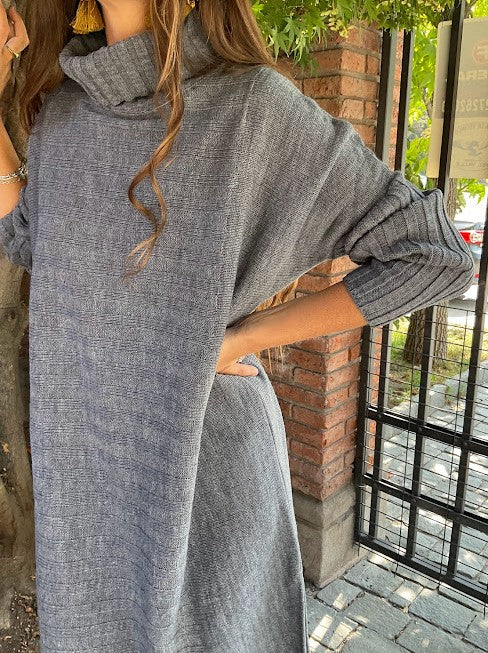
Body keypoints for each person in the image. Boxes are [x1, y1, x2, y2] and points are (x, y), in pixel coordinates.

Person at [0, 1, 475, 651]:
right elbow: (32, 240)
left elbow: (432, 255)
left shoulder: (251, 107)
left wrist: (240, 339)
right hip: (88, 476)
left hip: (207, 476)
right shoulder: (65, 115)